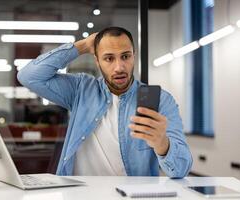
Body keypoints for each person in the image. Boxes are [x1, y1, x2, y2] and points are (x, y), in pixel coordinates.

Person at [17, 27, 193, 178]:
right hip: (80, 193)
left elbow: (181, 170)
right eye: (109, 58)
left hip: (131, 195)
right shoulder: (81, 89)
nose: (119, 67)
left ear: (134, 56)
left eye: (125, 56)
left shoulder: (161, 100)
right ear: (97, 60)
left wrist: (162, 143)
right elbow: (28, 76)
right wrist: (83, 46)